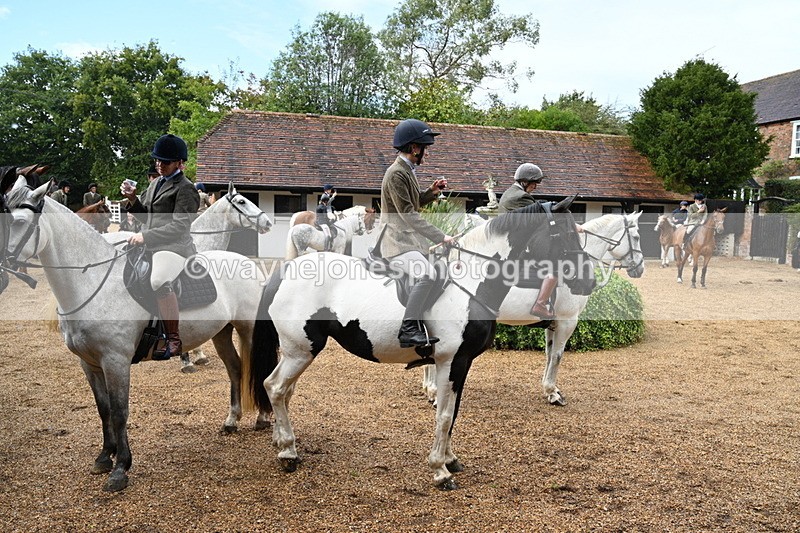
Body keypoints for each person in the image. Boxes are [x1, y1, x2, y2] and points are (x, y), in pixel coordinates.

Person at [120, 134, 200, 360]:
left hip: (175, 247)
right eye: (157, 160)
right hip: (153, 243)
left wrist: (146, 237)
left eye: (165, 161)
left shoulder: (186, 188)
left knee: (158, 280)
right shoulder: (156, 183)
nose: (159, 164)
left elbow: (180, 226)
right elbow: (146, 217)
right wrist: (133, 199)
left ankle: (174, 339)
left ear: (179, 163)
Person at [379, 118, 454, 348]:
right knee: (427, 275)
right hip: (396, 242)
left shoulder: (406, 170)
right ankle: (409, 329)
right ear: (414, 148)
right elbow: (408, 214)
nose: (427, 153)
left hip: (408, 240)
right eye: (425, 148)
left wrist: (431, 192)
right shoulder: (396, 173)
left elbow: (413, 203)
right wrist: (441, 236)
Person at [497, 163, 559, 319]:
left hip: (509, 241)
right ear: (524, 181)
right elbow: (541, 219)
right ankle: (540, 304)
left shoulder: (510, 192)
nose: (536, 186)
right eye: (534, 183)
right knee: (555, 268)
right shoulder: (521, 197)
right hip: (518, 247)